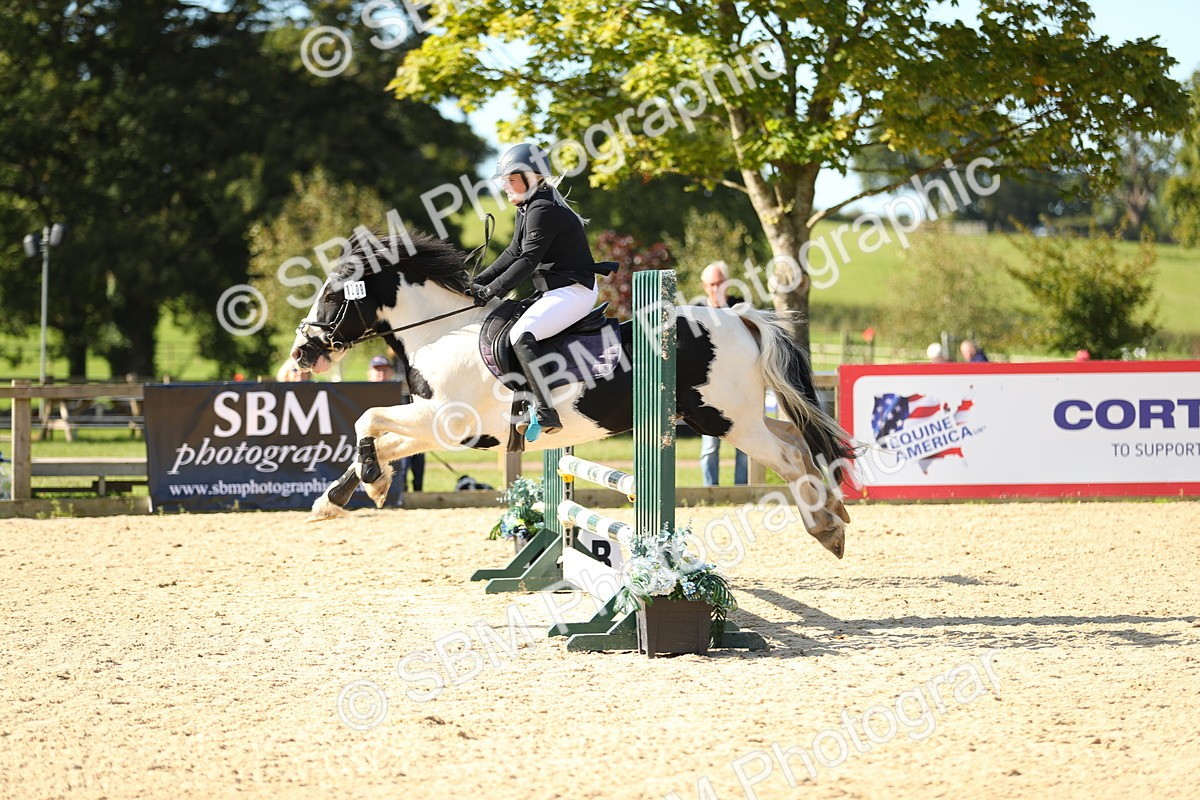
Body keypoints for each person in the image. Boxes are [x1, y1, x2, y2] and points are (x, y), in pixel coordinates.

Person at [470, 143, 600, 439]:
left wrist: (492, 291)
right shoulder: (529, 207)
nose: (505, 186)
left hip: (575, 291)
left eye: (510, 179)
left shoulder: (542, 209)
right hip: (556, 291)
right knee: (512, 327)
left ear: (531, 177)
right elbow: (513, 252)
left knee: (521, 334)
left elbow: (528, 261)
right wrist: (478, 283)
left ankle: (545, 411)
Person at [698, 262, 748, 487]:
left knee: (745, 444)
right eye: (710, 284)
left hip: (739, 385)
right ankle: (710, 491)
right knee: (710, 446)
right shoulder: (695, 311)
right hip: (709, 390)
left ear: (727, 283)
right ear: (703, 286)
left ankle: (741, 490)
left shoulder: (741, 308)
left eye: (719, 283)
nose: (715, 289)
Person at [367, 355, 408, 507]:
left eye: (384, 369)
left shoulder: (400, 394)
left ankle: (407, 492)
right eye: (377, 369)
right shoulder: (360, 392)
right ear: (369, 372)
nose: (381, 373)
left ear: (390, 372)